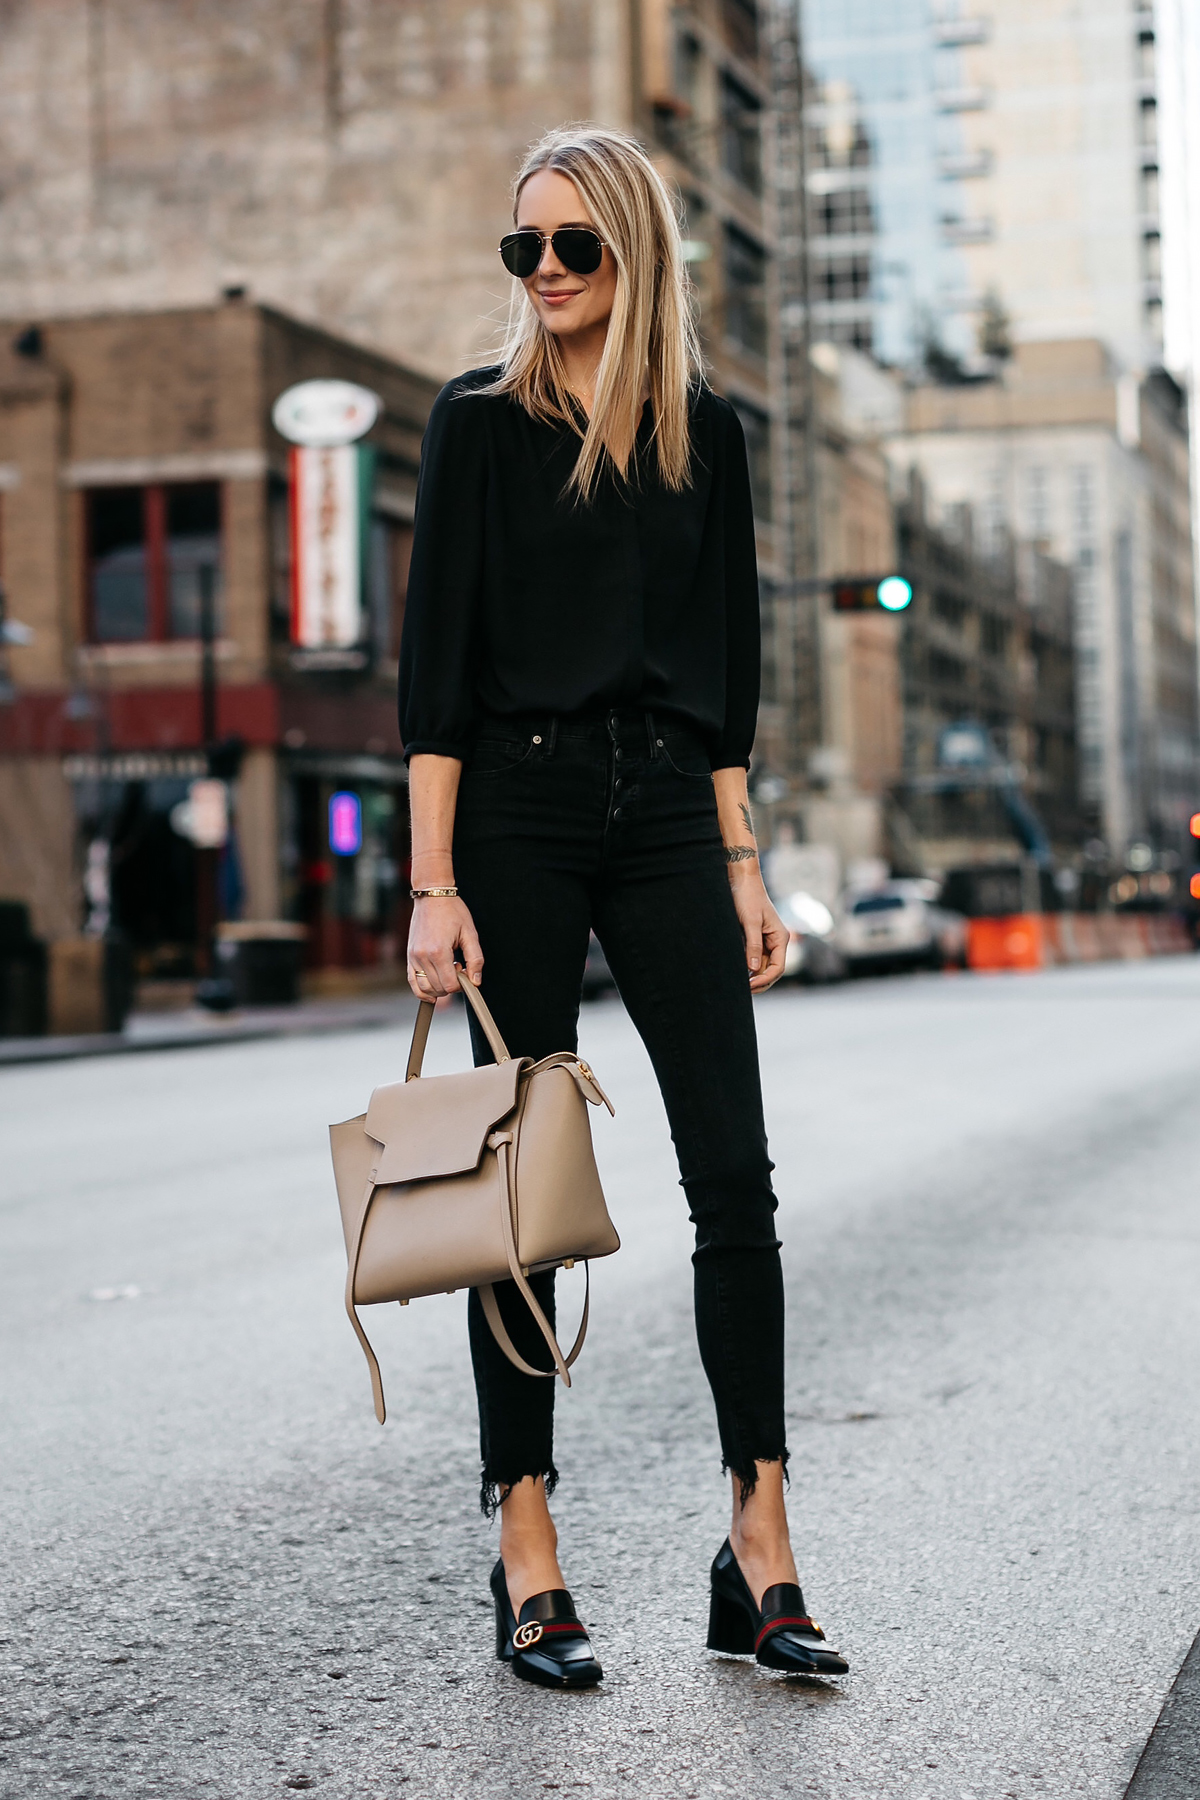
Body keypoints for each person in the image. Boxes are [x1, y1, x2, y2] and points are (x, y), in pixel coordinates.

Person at [398, 125, 848, 1690]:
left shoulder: (702, 435)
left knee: (734, 1169)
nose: (545, 276)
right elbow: (434, 680)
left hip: (666, 811)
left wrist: (743, 861)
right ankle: (526, 1542)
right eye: (523, 248)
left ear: (634, 252)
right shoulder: (476, 425)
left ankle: (762, 1542)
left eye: (573, 248)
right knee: (517, 1194)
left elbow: (728, 674)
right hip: (511, 810)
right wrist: (432, 883)